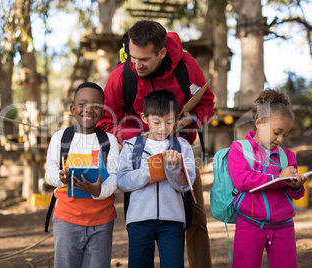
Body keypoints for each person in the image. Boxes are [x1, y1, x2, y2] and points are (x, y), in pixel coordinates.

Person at [97, 20, 213, 267]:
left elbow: (207, 105)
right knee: (141, 224)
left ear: (162, 52)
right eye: (132, 57)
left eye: (144, 60)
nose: (136, 65)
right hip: (139, 151)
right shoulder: (121, 76)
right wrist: (145, 134)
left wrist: (188, 120)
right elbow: (107, 123)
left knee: (196, 218)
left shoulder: (187, 66)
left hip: (180, 149)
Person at [227, 88, 308, 268]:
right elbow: (242, 181)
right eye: (277, 132)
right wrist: (277, 177)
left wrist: (296, 186)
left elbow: (294, 195)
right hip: (249, 223)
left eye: (284, 135)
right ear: (259, 123)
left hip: (283, 226)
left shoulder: (288, 157)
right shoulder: (239, 149)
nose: (280, 139)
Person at [117, 90, 196, 267]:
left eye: (169, 122)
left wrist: (174, 169)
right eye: (156, 122)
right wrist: (149, 170)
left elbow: (186, 185)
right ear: (144, 118)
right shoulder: (131, 146)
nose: (163, 128)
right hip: (139, 220)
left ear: (176, 119)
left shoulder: (182, 146)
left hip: (172, 220)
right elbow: (123, 182)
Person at [45, 82, 119, 268]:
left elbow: (114, 177)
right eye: (82, 104)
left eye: (96, 106)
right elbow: (50, 172)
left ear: (103, 112)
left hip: (101, 221)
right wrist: (60, 179)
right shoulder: (61, 138)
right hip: (67, 219)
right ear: (72, 109)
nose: (89, 109)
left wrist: (98, 190)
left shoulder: (109, 141)